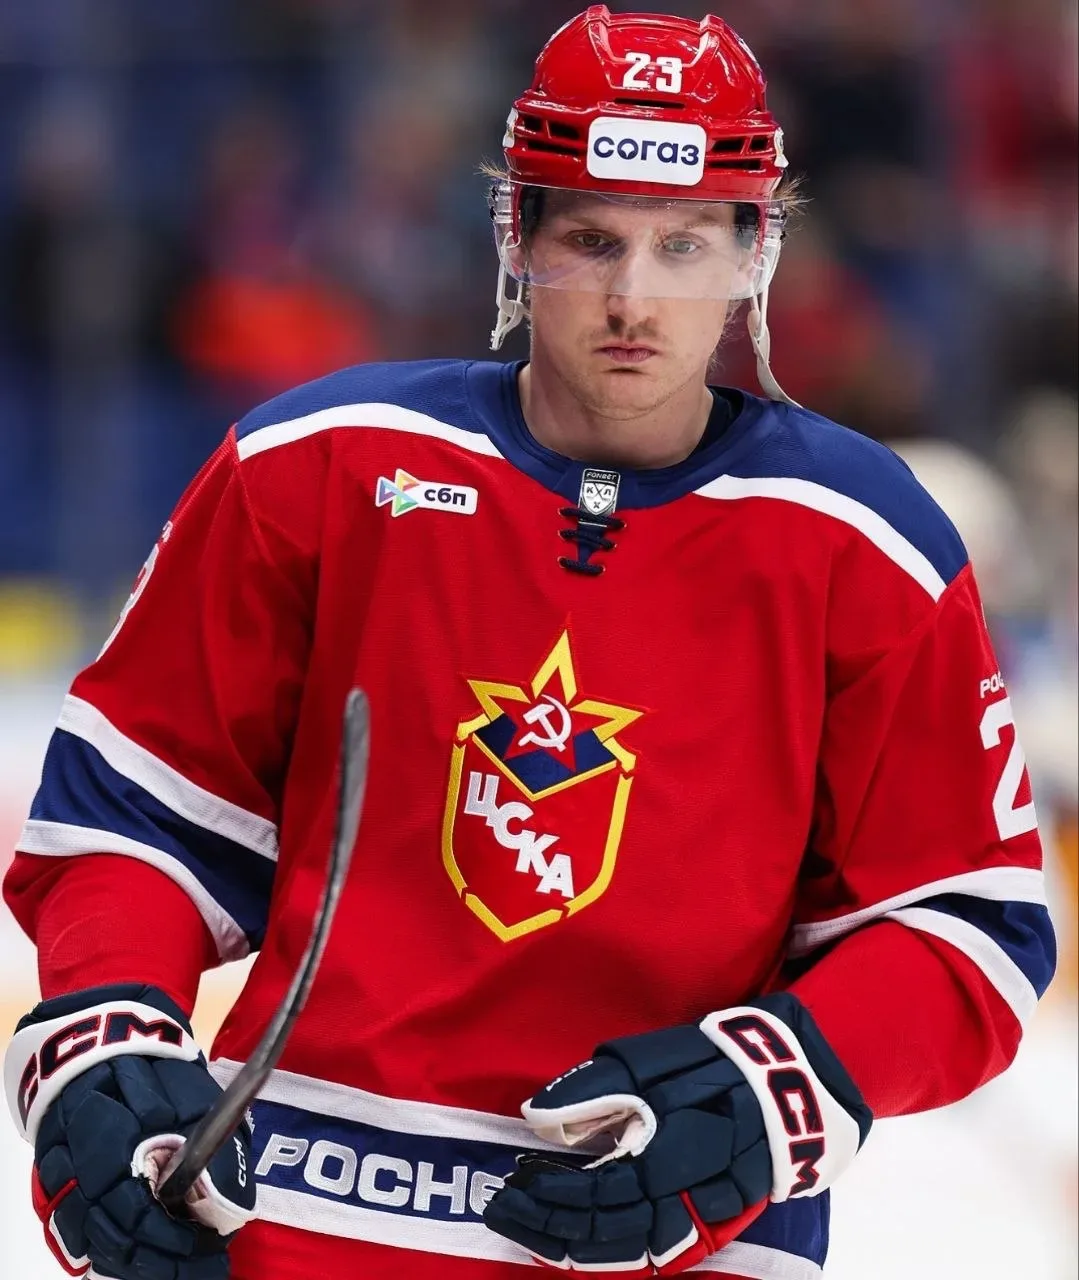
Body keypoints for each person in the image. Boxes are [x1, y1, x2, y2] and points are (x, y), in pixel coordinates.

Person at [2, 8, 1056, 1279]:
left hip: (680, 1238)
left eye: (682, 245)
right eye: (591, 240)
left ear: (753, 252)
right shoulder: (318, 467)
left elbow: (967, 921)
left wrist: (776, 1086)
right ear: (516, 235)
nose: (632, 299)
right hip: (295, 1220)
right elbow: (137, 814)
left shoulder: (864, 541)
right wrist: (105, 1034)